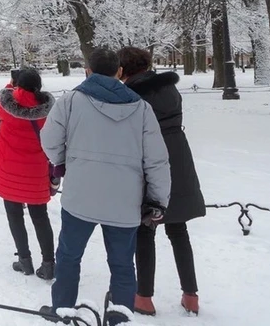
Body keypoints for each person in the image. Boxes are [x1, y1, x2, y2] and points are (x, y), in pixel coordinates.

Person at [39, 48, 171, 325]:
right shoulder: (141, 108)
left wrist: (63, 162)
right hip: (124, 201)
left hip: (80, 195)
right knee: (123, 264)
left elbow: (50, 138)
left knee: (68, 257)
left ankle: (63, 309)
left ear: (87, 70)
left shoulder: (71, 101)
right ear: (119, 72)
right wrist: (158, 200)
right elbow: (157, 159)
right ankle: (120, 318)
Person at [118, 47, 204, 317]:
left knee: (145, 230)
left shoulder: (131, 95)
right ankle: (191, 296)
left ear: (124, 69)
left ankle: (144, 296)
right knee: (178, 230)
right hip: (178, 156)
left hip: (149, 161)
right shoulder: (170, 89)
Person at [0, 68, 56, 280]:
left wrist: (10, 87)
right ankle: (49, 263)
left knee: (14, 215)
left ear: (17, 84)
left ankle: (24, 260)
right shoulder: (48, 110)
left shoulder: (7, 106)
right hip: (35, 171)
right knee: (40, 217)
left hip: (9, 170)